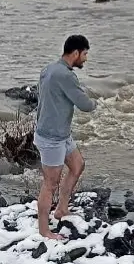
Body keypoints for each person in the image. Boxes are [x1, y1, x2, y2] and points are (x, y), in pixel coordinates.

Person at [34, 34, 96, 240]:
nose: (86, 59)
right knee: (50, 184)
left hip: (60, 133)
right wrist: (94, 101)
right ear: (76, 53)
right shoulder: (66, 76)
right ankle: (44, 230)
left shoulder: (49, 69)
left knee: (77, 165)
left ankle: (61, 209)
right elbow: (85, 105)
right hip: (52, 137)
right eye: (85, 54)